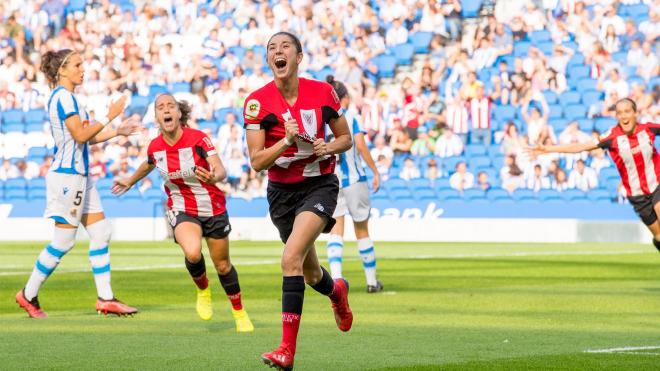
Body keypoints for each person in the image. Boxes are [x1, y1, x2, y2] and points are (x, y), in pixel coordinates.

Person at [243, 32, 353, 370]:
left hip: (319, 185)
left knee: (290, 258)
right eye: (271, 49)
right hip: (281, 194)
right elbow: (257, 162)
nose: (278, 52)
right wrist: (286, 141)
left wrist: (327, 146)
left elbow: (345, 137)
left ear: (299, 56)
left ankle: (286, 352)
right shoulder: (257, 102)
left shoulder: (322, 92)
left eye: (284, 46)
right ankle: (337, 293)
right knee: (309, 273)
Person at [112, 94, 253, 331]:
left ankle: (239, 312)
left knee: (223, 266)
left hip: (212, 207)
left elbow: (220, 169)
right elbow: (149, 162)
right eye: (160, 107)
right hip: (181, 206)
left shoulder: (198, 138)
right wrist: (130, 180)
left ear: (179, 113)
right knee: (193, 252)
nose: (166, 110)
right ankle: (203, 289)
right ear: (157, 117)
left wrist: (214, 176)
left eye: (170, 106)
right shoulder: (155, 146)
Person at [16, 49, 138, 318]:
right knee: (63, 241)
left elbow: (86, 137)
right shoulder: (63, 98)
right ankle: (28, 294)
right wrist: (110, 116)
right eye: (77, 65)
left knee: (101, 231)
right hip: (68, 177)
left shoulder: (70, 98)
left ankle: (106, 298)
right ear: (62, 70)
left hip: (81, 176)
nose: (83, 69)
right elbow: (81, 134)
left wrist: (117, 131)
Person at [530, 98, 660, 252]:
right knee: (658, 236)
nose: (624, 116)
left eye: (627, 111)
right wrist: (549, 149)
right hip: (636, 195)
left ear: (635, 113)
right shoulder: (611, 136)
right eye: (619, 113)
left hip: (657, 184)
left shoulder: (648, 129)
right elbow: (582, 146)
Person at [324, 75, 383, 293]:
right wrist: (375, 171)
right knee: (361, 229)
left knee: (336, 229)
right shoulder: (350, 115)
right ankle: (371, 281)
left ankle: (337, 281)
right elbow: (360, 145)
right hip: (355, 180)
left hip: (331, 181)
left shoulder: (322, 119)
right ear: (345, 98)